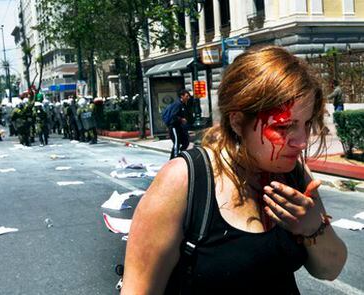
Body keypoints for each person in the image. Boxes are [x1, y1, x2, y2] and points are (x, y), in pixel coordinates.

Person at [122, 46, 347, 294]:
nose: (302, 141)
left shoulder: (293, 173)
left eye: (306, 124)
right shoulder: (185, 180)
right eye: (284, 128)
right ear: (238, 122)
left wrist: (312, 226)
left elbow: (330, 269)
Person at [162, 89, 192, 159]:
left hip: (180, 127)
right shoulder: (177, 104)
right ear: (182, 96)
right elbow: (173, 115)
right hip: (174, 127)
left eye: (188, 96)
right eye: (187, 96)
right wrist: (181, 119)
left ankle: (180, 155)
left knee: (186, 142)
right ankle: (175, 158)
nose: (188, 98)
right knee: (176, 142)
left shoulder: (184, 104)